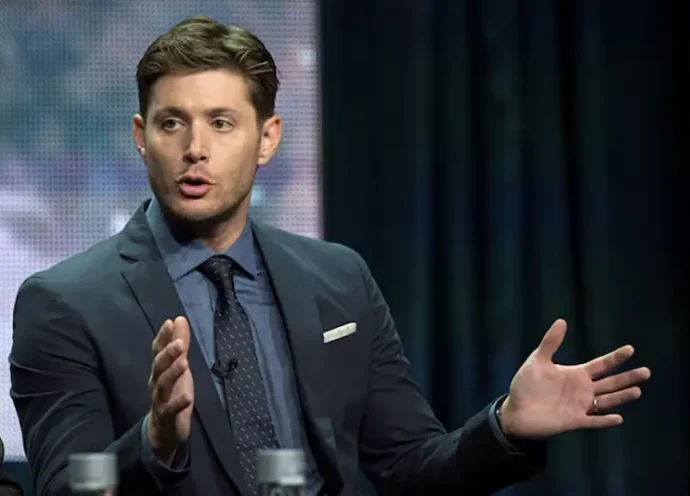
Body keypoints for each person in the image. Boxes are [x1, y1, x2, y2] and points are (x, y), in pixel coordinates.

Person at [10, 15, 651, 496]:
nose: (195, 148)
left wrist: (506, 426)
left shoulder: (338, 277)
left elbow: (407, 467)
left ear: (268, 139)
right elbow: (70, 485)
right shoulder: (65, 302)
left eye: (222, 123)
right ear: (140, 138)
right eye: (172, 122)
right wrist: (152, 444)